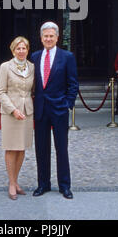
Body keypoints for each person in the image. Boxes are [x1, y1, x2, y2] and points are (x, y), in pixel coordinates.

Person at [31, 22, 79, 199]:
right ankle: (43, 184)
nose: (48, 39)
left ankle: (64, 186)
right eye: (45, 36)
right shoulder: (35, 57)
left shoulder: (67, 57)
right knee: (41, 149)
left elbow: (73, 84)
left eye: (51, 36)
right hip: (41, 110)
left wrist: (67, 103)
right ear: (41, 38)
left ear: (57, 37)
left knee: (61, 148)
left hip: (59, 109)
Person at [0, 36, 34, 200]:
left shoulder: (32, 67)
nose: (21, 51)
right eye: (18, 48)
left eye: (24, 48)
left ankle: (16, 180)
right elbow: (0, 92)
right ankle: (11, 183)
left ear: (27, 50)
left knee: (22, 148)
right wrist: (13, 110)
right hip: (11, 113)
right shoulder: (5, 67)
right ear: (13, 50)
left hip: (27, 112)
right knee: (11, 148)